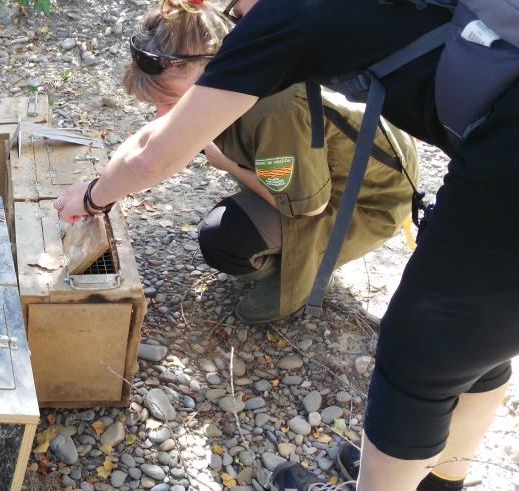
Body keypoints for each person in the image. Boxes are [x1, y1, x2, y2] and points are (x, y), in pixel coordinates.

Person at [53, 0, 518, 490]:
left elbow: (291, 199)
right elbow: (159, 137)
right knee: (476, 341)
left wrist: (93, 198)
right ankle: (435, 480)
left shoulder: (281, 27)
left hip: (445, 180)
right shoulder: (267, 29)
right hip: (488, 149)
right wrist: (110, 177)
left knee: (418, 359)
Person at [120, 1, 419, 325]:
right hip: (337, 162)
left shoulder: (275, 111)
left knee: (224, 239)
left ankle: (301, 275)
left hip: (367, 198)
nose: (163, 114)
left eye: (170, 102)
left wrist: (229, 164)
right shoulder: (232, 49)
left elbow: (308, 207)